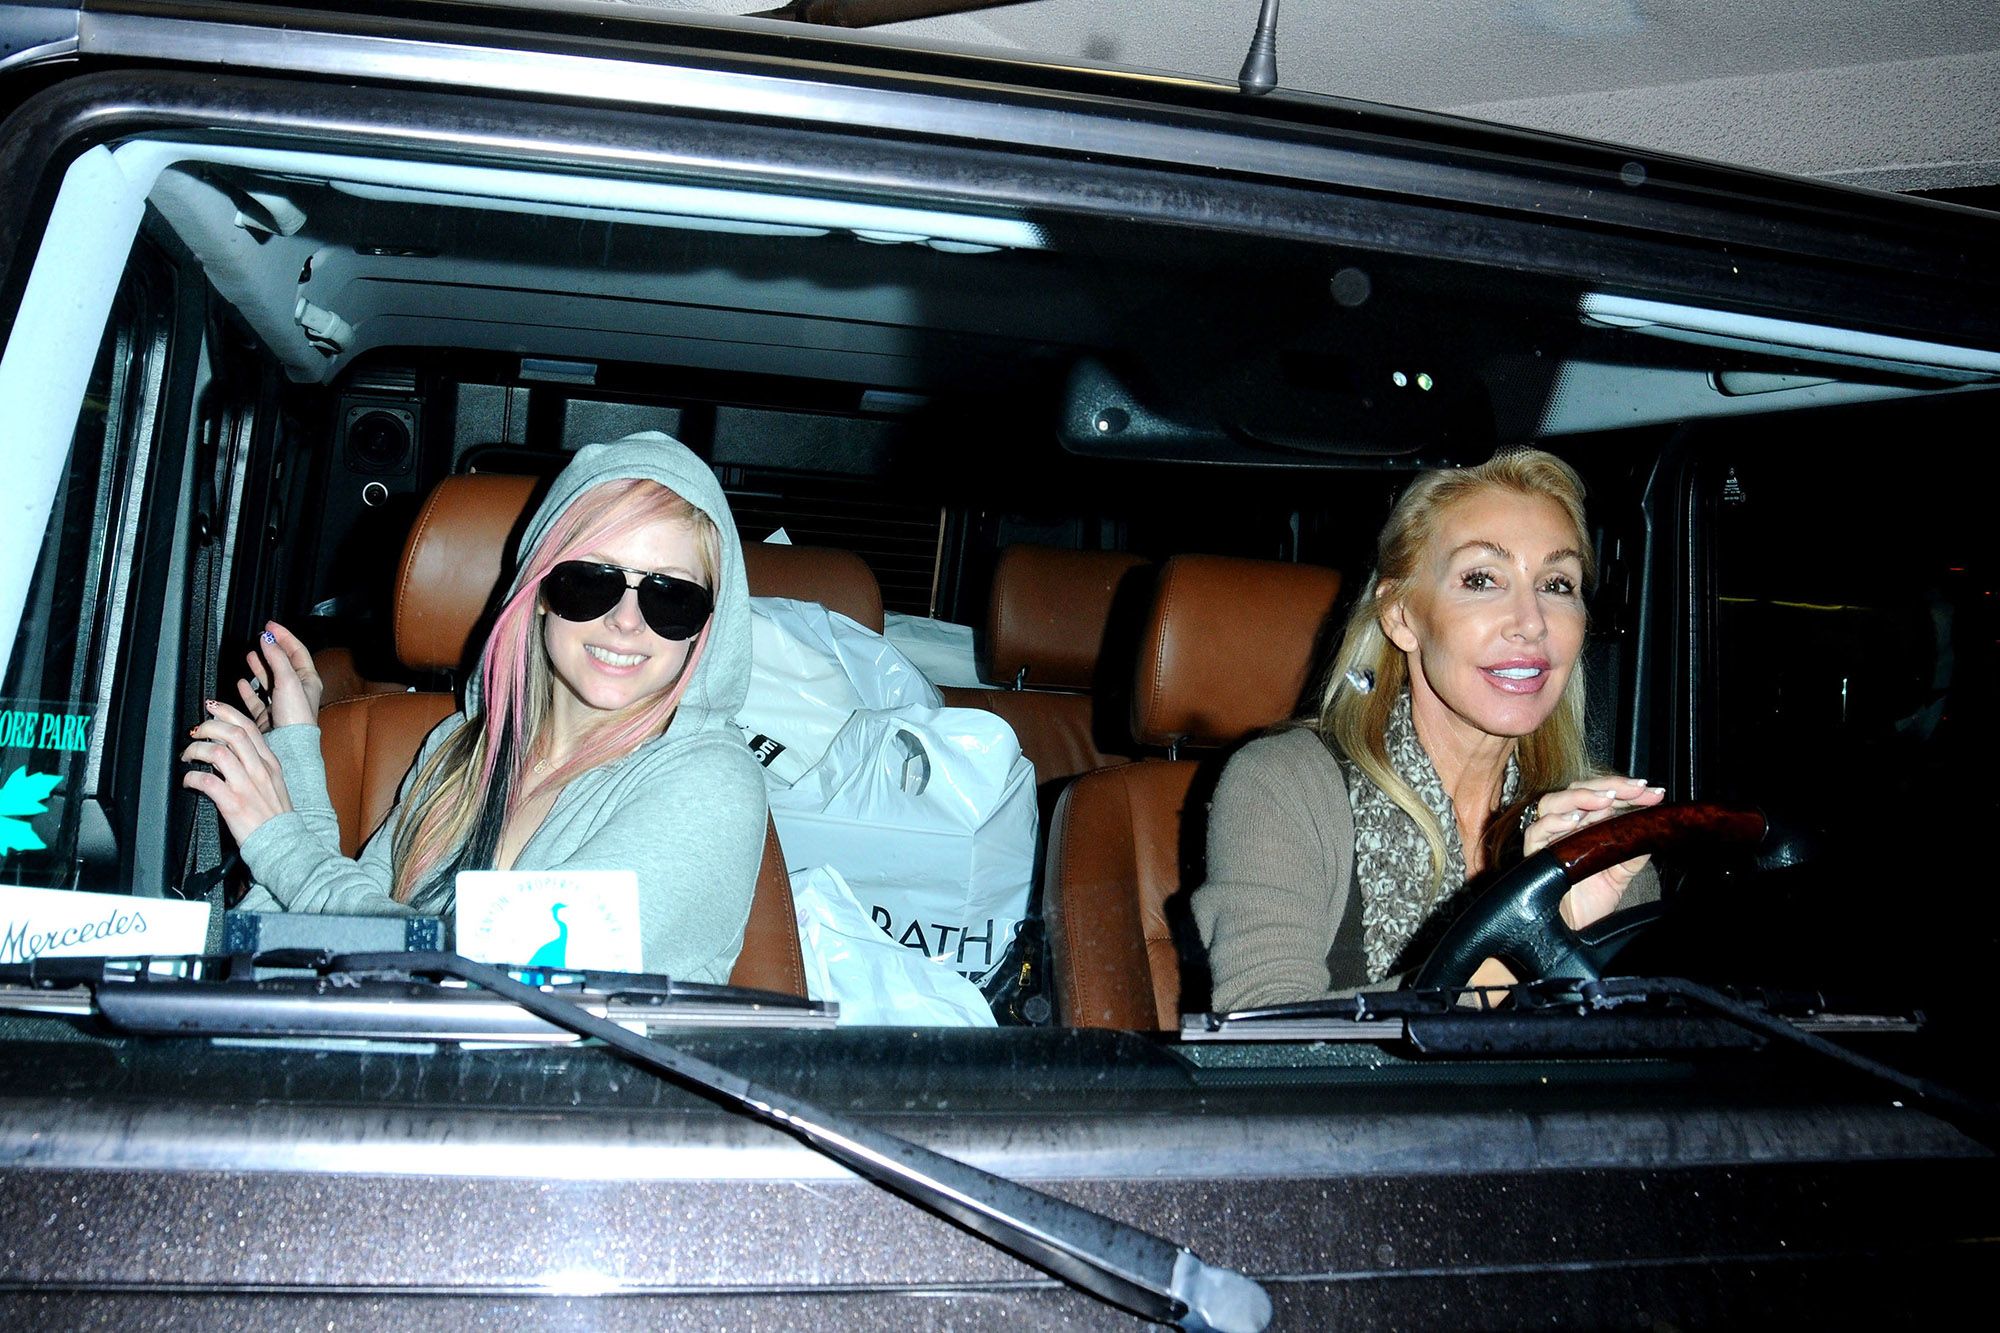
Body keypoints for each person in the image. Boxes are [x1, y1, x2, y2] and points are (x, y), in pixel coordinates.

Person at [182, 432, 767, 982]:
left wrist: (281, 841)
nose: (626, 621)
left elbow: (496, 983)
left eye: (672, 597)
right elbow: (334, 944)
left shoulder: (711, 781)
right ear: (538, 590)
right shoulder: (461, 746)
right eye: (591, 581)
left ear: (706, 625)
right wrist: (294, 748)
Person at [1192, 448, 1662, 1010]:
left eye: (1557, 584)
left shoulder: (1594, 831)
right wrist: (1526, 945)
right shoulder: (1284, 784)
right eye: (1482, 579)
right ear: (1401, 615)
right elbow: (1264, 1036)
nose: (1532, 623)